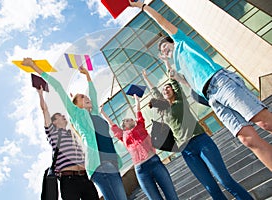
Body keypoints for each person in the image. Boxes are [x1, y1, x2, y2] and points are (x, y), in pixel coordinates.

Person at [129, 0, 272, 171]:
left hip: (220, 82)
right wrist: (174, 73)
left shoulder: (182, 42)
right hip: (211, 97)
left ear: (172, 42)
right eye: (162, 52)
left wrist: (142, 7)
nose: (165, 51)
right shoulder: (180, 66)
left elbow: (162, 21)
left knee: (264, 122)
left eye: (165, 47)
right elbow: (190, 85)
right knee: (247, 140)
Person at [23, 58, 127, 200]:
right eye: (82, 97)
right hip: (99, 165)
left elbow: (94, 93)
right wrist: (34, 66)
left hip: (112, 163)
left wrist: (87, 76)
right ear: (76, 105)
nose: (87, 97)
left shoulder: (95, 113)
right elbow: (58, 86)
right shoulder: (77, 115)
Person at [142, 70, 253, 200]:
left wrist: (167, 65)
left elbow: (174, 83)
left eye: (168, 88)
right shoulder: (163, 108)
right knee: (211, 188)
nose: (166, 90)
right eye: (164, 89)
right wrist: (145, 78)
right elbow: (155, 92)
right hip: (186, 151)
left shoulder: (180, 101)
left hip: (201, 141)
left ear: (173, 91)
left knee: (225, 181)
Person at [101, 94, 179, 200]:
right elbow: (112, 124)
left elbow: (138, 112)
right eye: (128, 120)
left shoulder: (140, 125)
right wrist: (102, 112)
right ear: (123, 125)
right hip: (141, 170)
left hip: (154, 163)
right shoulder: (122, 135)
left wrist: (137, 100)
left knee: (171, 195)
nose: (131, 120)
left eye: (132, 119)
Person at [37, 86, 99, 200]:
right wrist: (40, 94)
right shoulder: (53, 134)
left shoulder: (73, 134)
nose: (63, 116)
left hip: (85, 177)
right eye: (60, 116)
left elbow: (77, 117)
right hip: (68, 180)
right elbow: (45, 110)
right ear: (54, 122)